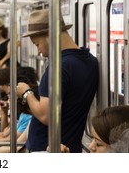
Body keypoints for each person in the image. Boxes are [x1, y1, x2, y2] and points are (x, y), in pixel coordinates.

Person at [16, 9, 99, 153]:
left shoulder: (58, 67)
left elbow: (45, 115)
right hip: (70, 145)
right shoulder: (90, 61)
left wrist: (26, 93)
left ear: (50, 36)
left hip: (48, 149)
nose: (38, 52)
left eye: (37, 44)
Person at [0, 67, 39, 150]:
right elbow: (5, 133)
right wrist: (4, 112)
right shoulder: (23, 114)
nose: (10, 98)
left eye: (11, 93)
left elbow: (11, 141)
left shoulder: (28, 117)